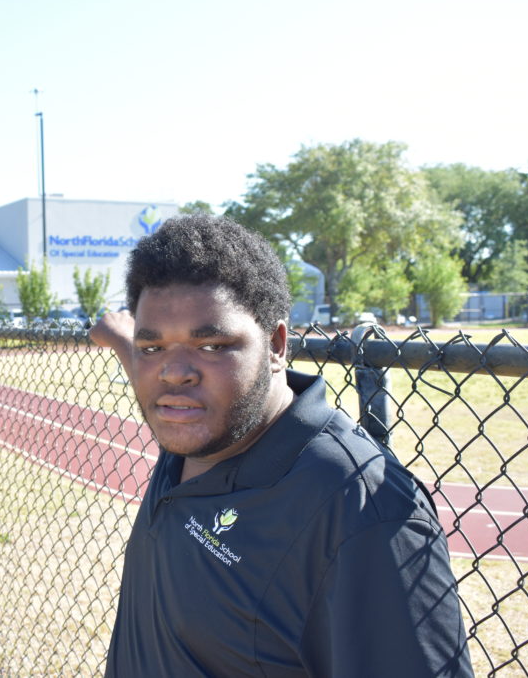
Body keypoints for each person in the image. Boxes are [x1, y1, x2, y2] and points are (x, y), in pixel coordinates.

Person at [90, 215, 473, 677]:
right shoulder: (193, 425)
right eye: (152, 348)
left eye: (212, 345)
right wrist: (122, 338)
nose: (173, 373)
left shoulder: (359, 509)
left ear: (275, 345)